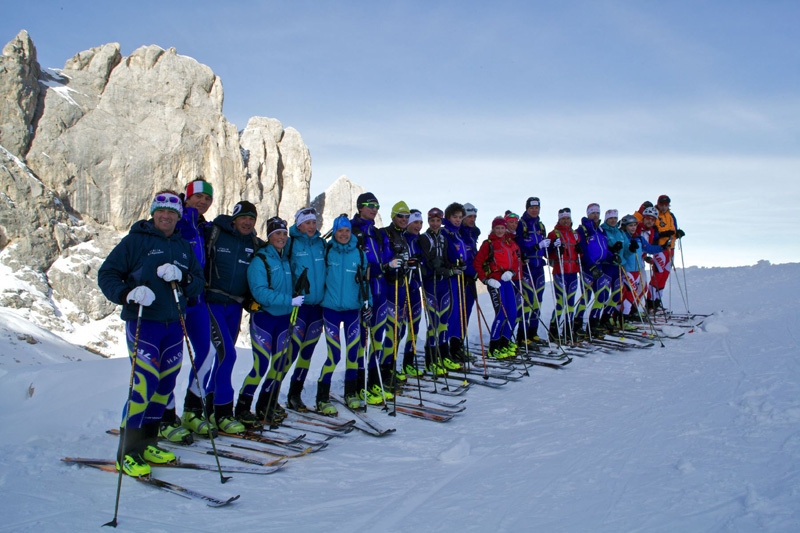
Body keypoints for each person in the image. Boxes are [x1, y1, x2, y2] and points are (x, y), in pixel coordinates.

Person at [98, 190, 205, 476]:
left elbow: (197, 285)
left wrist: (184, 277)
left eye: (171, 213)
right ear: (153, 213)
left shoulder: (183, 246)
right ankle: (127, 453)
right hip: (144, 323)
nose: (166, 216)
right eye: (161, 211)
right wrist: (128, 293)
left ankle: (148, 443)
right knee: (143, 386)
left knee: (165, 386)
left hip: (174, 325)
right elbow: (107, 274)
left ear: (178, 216)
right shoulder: (135, 241)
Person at [156, 179, 214, 443]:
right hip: (174, 299)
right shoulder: (178, 220)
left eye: (207, 198)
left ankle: (192, 409)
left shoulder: (202, 225)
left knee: (208, 351)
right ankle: (164, 416)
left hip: (197, 297)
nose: (202, 202)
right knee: (170, 360)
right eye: (198, 197)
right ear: (187, 197)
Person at [235, 216, 303, 426]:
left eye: (283, 233)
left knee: (278, 365)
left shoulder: (286, 259)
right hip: (264, 319)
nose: (281, 237)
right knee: (261, 365)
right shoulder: (260, 260)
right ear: (269, 236)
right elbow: (260, 293)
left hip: (284, 320)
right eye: (277, 233)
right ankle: (243, 408)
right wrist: (289, 300)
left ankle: (267, 405)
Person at [203, 200, 263, 434]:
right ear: (234, 219)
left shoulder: (254, 244)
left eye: (252, 219)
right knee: (226, 355)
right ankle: (222, 412)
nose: (247, 222)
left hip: (235, 305)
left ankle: (208, 409)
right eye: (244, 218)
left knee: (219, 358)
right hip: (213, 302)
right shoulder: (216, 233)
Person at [315, 215, 371, 415]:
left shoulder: (359, 254)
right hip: (330, 309)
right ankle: (322, 397)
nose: (344, 234)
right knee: (334, 354)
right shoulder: (327, 250)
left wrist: (369, 303)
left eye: (347, 230)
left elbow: (366, 282)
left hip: (352, 310)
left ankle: (351, 393)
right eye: (340, 231)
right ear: (335, 232)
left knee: (353, 353)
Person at [349, 193, 400, 405]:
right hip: (361, 292)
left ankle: (373, 383)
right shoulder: (351, 230)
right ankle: (358, 386)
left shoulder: (378, 234)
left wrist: (394, 267)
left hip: (381, 291)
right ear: (360, 207)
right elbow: (353, 262)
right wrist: (384, 267)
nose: (374, 208)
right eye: (370, 205)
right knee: (361, 340)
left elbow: (387, 257)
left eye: (376, 205)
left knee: (378, 337)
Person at [284, 207, 327, 412]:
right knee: (290, 353)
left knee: (307, 353)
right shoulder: (291, 243)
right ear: (298, 224)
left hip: (317, 307)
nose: (311, 226)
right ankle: (271, 396)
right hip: (298, 308)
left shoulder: (321, 244)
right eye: (307, 222)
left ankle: (295, 395)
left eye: (313, 222)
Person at [474, 216, 521, 359]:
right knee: (502, 313)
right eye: (497, 228)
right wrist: (486, 280)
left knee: (513, 313)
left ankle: (504, 343)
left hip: (507, 280)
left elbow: (516, 261)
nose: (500, 230)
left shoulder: (509, 243)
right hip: (495, 282)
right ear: (493, 229)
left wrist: (511, 272)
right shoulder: (488, 244)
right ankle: (494, 346)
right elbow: (478, 263)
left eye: (502, 228)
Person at [418, 207, 456, 375]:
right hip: (430, 284)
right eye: (432, 221)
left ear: (441, 221)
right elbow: (426, 260)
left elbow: (447, 258)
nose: (435, 224)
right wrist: (438, 268)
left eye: (438, 221)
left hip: (443, 284)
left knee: (443, 321)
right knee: (433, 321)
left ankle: (443, 355)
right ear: (428, 221)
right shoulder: (424, 238)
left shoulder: (443, 237)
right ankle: (431, 360)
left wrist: (452, 267)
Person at [381, 201, 413, 386]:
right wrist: (391, 263)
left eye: (406, 216)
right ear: (393, 217)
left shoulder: (404, 236)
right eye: (400, 216)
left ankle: (391, 366)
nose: (404, 219)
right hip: (389, 287)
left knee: (398, 330)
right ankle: (385, 370)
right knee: (391, 330)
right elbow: (384, 260)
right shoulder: (386, 234)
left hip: (402, 287)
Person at [515, 197, 550, 345]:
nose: (534, 210)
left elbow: (545, 245)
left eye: (537, 208)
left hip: (538, 267)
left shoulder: (540, 225)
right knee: (528, 300)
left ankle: (533, 332)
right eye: (532, 208)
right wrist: (535, 247)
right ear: (527, 208)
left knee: (538, 300)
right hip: (527, 266)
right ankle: (522, 335)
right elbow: (519, 245)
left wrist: (550, 247)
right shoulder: (522, 224)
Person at [575, 203, 613, 338]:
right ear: (588, 214)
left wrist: (613, 257)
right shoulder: (583, 229)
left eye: (597, 213)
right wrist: (591, 265)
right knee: (586, 297)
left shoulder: (601, 230)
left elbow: (604, 249)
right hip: (588, 268)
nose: (595, 215)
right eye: (592, 213)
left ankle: (593, 323)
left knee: (602, 296)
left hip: (600, 267)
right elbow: (583, 249)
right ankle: (577, 325)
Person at [441, 202, 469, 366]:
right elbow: (446, 254)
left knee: (459, 312)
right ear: (448, 217)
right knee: (451, 313)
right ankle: (446, 350)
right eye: (455, 217)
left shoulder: (457, 234)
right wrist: (453, 265)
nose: (458, 220)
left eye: (460, 217)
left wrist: (463, 264)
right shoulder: (445, 233)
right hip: (449, 278)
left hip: (459, 276)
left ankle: (455, 346)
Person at [547, 208, 581, 341]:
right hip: (560, 271)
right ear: (559, 219)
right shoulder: (553, 234)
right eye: (563, 219)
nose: (566, 221)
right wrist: (556, 251)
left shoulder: (575, 234)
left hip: (573, 271)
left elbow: (580, 253)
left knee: (571, 303)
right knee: (561, 303)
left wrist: (580, 250)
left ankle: (568, 329)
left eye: (567, 218)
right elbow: (548, 254)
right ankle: (554, 330)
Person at [398, 209, 424, 378]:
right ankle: (390, 364)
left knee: (414, 326)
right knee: (398, 329)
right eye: (415, 222)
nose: (418, 226)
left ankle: (408, 363)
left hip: (415, 287)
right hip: (402, 288)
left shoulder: (420, 241)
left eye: (420, 223)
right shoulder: (401, 239)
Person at [649, 195, 685, 311]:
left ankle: (658, 301)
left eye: (666, 205)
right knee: (658, 274)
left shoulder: (671, 215)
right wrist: (662, 234)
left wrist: (678, 233)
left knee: (664, 275)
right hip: (660, 248)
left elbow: (674, 229)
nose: (664, 207)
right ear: (658, 203)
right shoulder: (655, 214)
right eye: (662, 204)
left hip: (671, 248)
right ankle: (650, 302)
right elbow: (652, 232)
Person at [459, 202, 481, 355]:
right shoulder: (459, 232)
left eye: (474, 216)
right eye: (469, 216)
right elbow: (462, 257)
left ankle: (460, 342)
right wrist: (470, 270)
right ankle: (454, 345)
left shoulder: (473, 233)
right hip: (462, 277)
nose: (472, 219)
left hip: (471, 277)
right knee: (459, 312)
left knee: (466, 311)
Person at [600, 209, 625, 331]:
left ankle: (606, 318)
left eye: (615, 218)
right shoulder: (603, 230)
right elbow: (602, 247)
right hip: (607, 265)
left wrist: (631, 248)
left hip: (618, 266)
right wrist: (612, 249)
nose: (613, 220)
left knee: (617, 295)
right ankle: (596, 320)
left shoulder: (619, 232)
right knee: (603, 294)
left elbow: (624, 249)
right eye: (610, 218)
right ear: (606, 219)